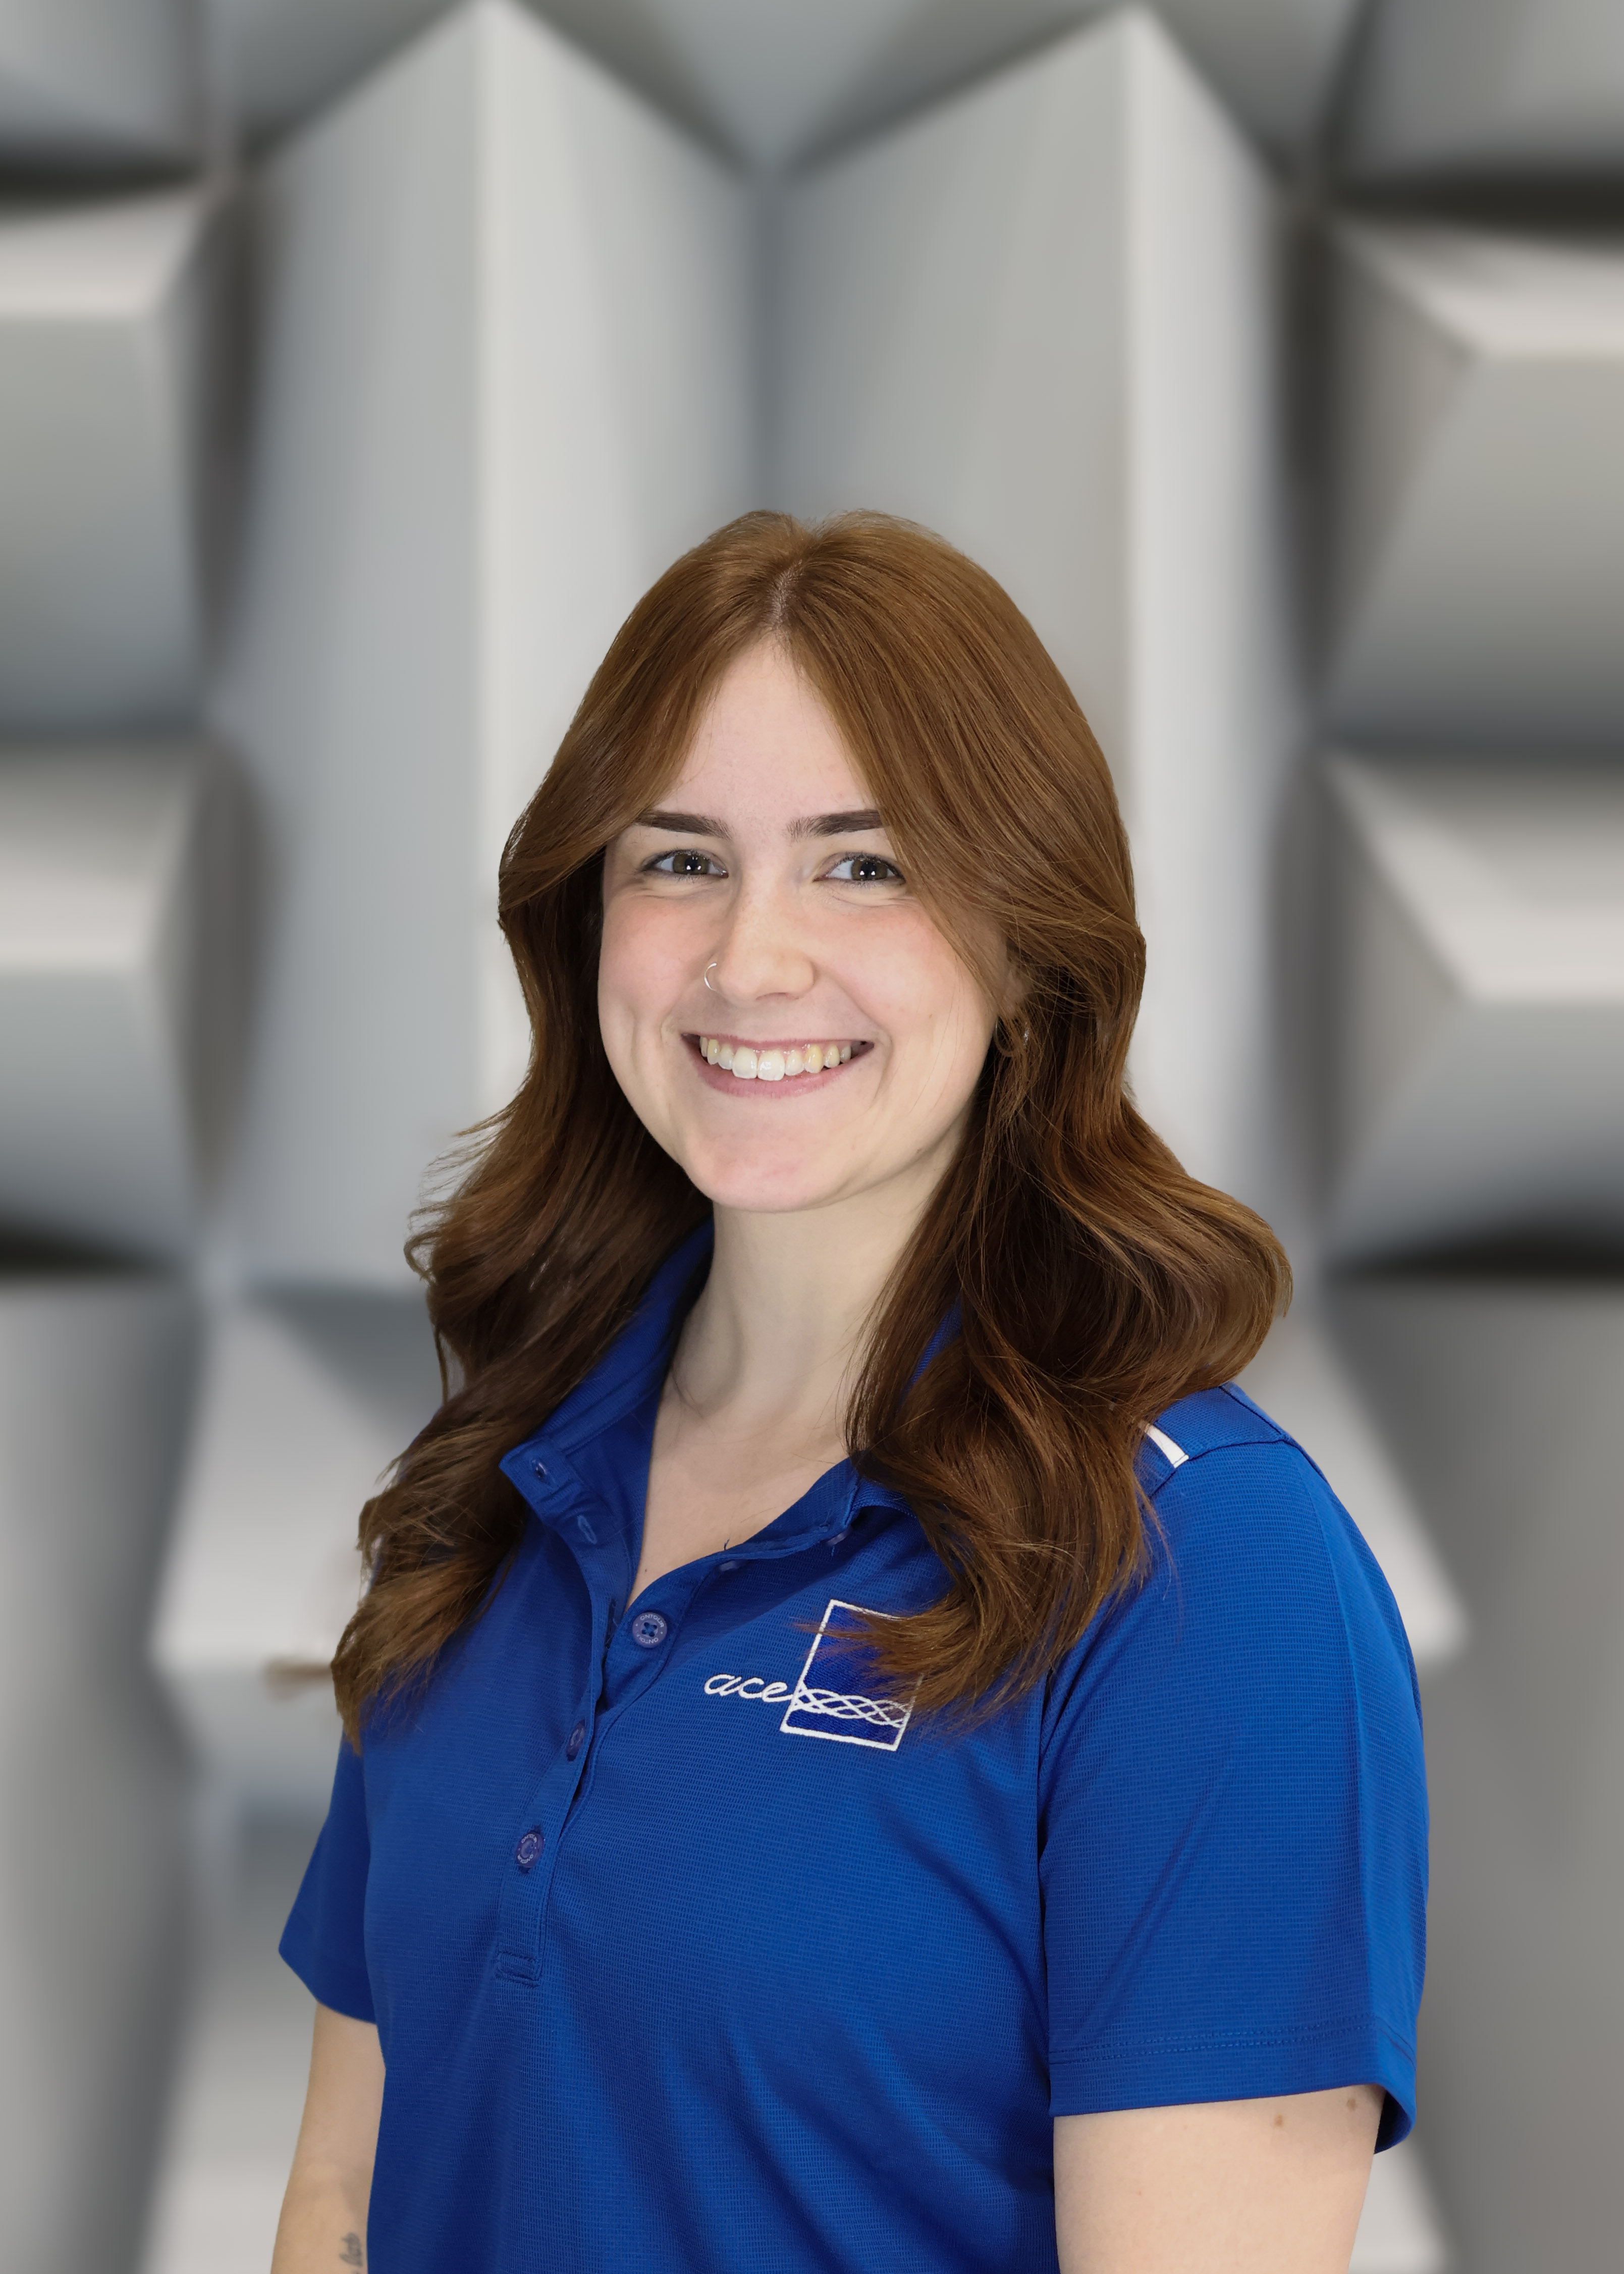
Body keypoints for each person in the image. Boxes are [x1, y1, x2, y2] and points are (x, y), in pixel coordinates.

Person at [272, 511, 1427, 2274]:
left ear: (1027, 950)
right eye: (677, 860)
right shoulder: (498, 1490)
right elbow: (342, 2205)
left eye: (862, 865)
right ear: (585, 921)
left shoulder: (1203, 1573)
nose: (749, 959)